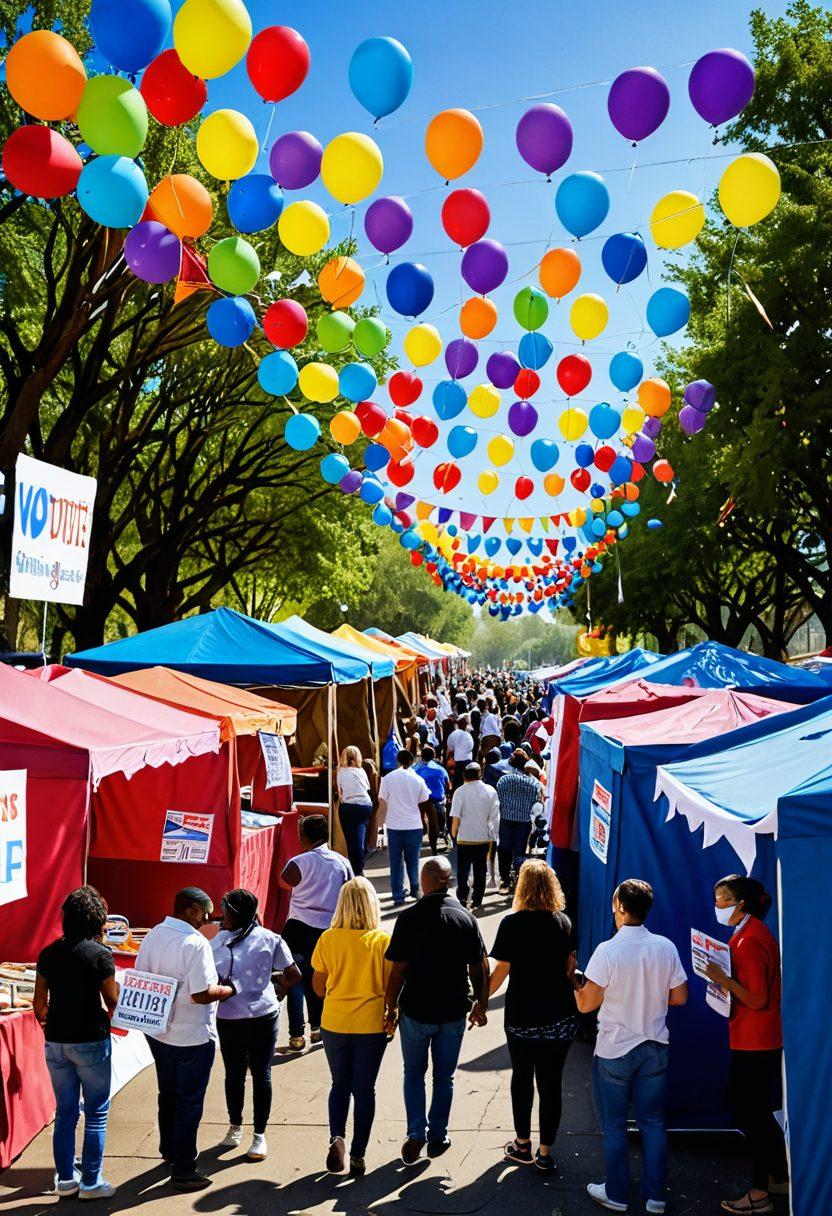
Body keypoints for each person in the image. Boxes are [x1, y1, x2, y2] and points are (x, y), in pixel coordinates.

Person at [574, 879, 688, 1215]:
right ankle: (655, 1196)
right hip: (654, 1046)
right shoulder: (665, 947)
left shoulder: (607, 951)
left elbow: (585, 1005)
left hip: (615, 1049)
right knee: (652, 1121)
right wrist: (648, 995)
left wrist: (572, 979)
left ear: (620, 907)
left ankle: (617, 1193)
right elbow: (679, 997)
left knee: (614, 1125)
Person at [384, 856, 489, 1164]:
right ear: (449, 881)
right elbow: (479, 969)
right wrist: (480, 1006)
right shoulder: (466, 918)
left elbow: (397, 972)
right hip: (453, 1011)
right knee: (444, 1077)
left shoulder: (409, 918)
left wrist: (390, 1007)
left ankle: (416, 1132)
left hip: (415, 1009)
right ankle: (438, 1135)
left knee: (414, 1073)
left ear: (425, 881)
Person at [136, 887, 235, 1191]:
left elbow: (142, 978)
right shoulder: (196, 944)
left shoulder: (153, 935)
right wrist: (228, 989)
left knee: (168, 1094)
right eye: (205, 911)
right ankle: (183, 1168)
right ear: (190, 909)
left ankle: (169, 1150)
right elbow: (202, 994)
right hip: (191, 1037)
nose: (208, 918)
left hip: (159, 1034)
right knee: (189, 1102)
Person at [704, 876, 788, 1216]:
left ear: (741, 904)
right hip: (754, 1036)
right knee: (753, 1111)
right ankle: (778, 1174)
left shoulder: (749, 941)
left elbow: (757, 998)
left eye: (724, 899)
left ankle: (760, 1190)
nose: (719, 905)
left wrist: (724, 981)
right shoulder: (748, 934)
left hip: (756, 1039)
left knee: (748, 1112)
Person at [489, 861, 578, 1174]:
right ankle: (545, 1153)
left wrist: (478, 1000)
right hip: (559, 1015)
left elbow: (502, 969)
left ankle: (522, 1144)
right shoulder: (563, 922)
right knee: (551, 1084)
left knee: (522, 1079)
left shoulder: (511, 924)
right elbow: (570, 968)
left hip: (522, 1016)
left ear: (522, 887)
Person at [34, 886, 119, 1201]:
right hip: (91, 1040)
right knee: (96, 1112)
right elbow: (112, 1002)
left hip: (56, 1040)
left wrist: (49, 1024)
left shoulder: (48, 953)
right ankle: (91, 1184)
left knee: (66, 1111)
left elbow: (39, 1005)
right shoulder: (100, 955)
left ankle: (66, 1180)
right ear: (97, 920)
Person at [211, 889, 300, 1161]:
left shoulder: (269, 939)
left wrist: (279, 990)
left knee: (258, 1074)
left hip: (261, 1018)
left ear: (235, 914)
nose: (220, 915)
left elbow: (294, 974)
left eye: (224, 910)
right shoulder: (219, 940)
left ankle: (258, 1135)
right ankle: (236, 1126)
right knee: (236, 1075)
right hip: (232, 1018)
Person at [311, 878, 392, 1177]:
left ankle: (336, 1138)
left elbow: (318, 987)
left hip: (334, 1022)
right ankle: (358, 1153)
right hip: (370, 1024)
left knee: (339, 1085)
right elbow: (389, 986)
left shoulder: (328, 939)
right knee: (365, 1090)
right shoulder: (382, 941)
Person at [280, 814, 353, 1051]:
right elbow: (349, 890)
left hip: (298, 927)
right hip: (327, 929)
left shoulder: (298, 862)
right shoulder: (342, 862)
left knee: (294, 978)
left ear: (305, 837)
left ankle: (296, 1035)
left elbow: (284, 882)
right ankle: (318, 1027)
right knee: (319, 975)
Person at [378, 749, 432, 908]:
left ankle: (398, 894)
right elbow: (424, 799)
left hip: (394, 825)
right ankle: (415, 889)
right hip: (414, 825)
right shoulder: (418, 779)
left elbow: (382, 801)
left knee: (395, 862)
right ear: (412, 761)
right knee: (413, 860)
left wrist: (380, 823)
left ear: (398, 761)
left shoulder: (388, 778)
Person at [449, 763, 499, 909]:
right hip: (482, 838)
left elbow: (456, 817)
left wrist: (454, 833)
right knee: (480, 870)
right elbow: (494, 817)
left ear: (465, 776)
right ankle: (477, 899)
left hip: (464, 838)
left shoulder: (460, 791)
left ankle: (463, 897)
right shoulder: (490, 791)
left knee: (463, 871)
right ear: (480, 774)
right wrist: (493, 836)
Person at [495, 751, 542, 894]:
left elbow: (499, 800)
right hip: (523, 821)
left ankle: (505, 880)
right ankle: (519, 881)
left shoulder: (503, 780)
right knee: (519, 852)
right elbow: (535, 803)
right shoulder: (534, 783)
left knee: (504, 850)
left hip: (506, 819)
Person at [336, 746, 374, 876]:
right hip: (364, 805)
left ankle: (357, 870)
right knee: (359, 840)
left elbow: (339, 789)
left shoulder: (341, 771)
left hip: (350, 806)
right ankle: (358, 868)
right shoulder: (361, 771)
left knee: (352, 841)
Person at [415, 743, 451, 853]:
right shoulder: (441, 769)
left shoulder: (415, 769)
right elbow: (448, 784)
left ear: (421, 756)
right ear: (434, 756)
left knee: (420, 816)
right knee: (435, 822)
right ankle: (436, 843)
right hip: (436, 800)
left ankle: (422, 829)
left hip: (420, 799)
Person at [446, 714, 475, 791]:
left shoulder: (453, 734)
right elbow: (471, 748)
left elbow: (450, 748)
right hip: (467, 761)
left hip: (458, 761)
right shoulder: (468, 735)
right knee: (467, 782)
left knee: (457, 782)